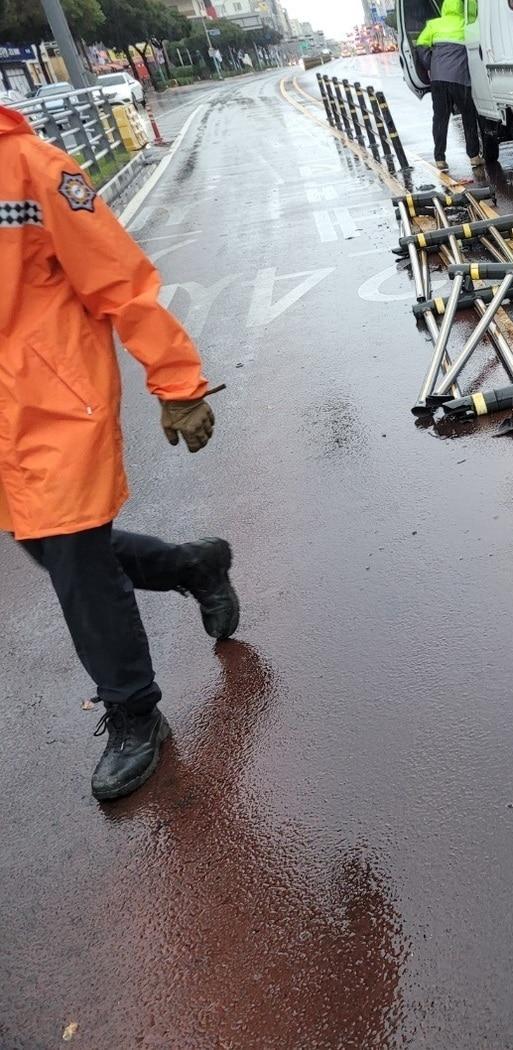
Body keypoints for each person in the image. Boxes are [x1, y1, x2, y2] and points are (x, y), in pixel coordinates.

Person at [1, 102, 240, 802]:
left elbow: (121, 281)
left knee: (74, 559)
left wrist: (177, 383)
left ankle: (135, 711)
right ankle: (194, 565)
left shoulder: (34, 169)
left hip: (54, 404)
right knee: (48, 548)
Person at [417, 0, 483, 174]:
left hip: (438, 80)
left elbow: (420, 46)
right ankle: (474, 157)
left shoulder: (434, 25)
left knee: (440, 118)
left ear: (445, 6)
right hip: (460, 80)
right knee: (468, 117)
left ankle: (439, 158)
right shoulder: (466, 25)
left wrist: (430, 64)